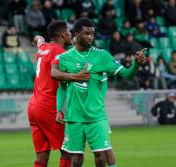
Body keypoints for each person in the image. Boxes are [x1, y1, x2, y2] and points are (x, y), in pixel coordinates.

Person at [56, 18, 146, 167]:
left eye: (92, 33)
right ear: (76, 34)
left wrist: (136, 64)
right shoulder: (65, 58)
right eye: (86, 33)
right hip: (74, 117)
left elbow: (127, 74)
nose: (90, 37)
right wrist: (59, 110)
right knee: (76, 159)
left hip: (96, 116)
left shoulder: (102, 56)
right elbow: (62, 87)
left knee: (101, 156)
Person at [28, 21, 90, 167]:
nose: (70, 34)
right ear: (63, 34)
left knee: (41, 155)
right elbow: (56, 73)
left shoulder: (43, 48)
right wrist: (77, 76)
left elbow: (37, 38)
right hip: (48, 105)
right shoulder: (60, 52)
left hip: (33, 107)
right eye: (69, 32)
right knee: (68, 151)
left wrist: (38, 38)